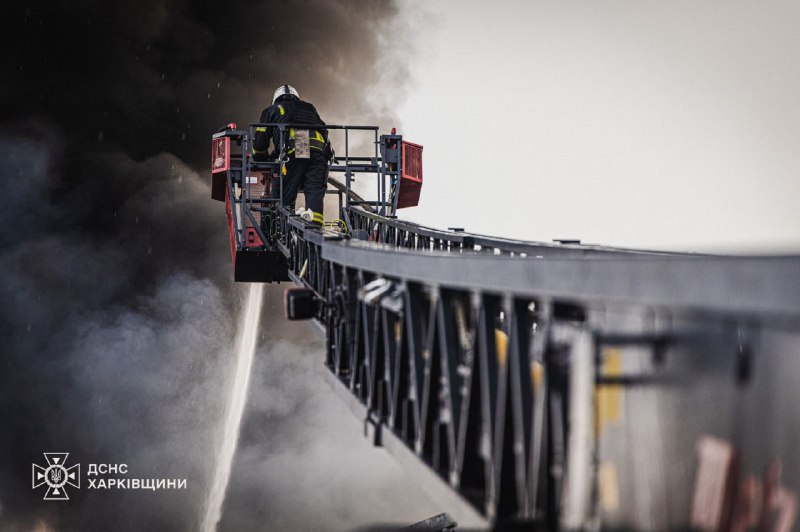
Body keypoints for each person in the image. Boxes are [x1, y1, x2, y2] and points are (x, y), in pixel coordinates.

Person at [253, 84, 329, 226]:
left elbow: (260, 143)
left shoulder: (273, 110)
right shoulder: (309, 108)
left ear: (276, 99)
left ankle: (281, 227)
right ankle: (315, 225)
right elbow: (324, 130)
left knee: (284, 194)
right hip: (320, 151)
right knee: (314, 190)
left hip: (299, 144)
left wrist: (262, 160)